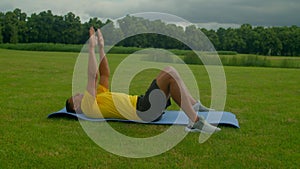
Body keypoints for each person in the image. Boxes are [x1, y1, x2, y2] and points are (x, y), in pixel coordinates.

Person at [66, 27, 221, 133]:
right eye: (75, 96)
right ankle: (194, 121)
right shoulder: (87, 107)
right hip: (143, 111)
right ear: (76, 105)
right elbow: (92, 76)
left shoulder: (98, 98)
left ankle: (194, 106)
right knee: (170, 73)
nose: (78, 93)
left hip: (143, 105)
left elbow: (104, 75)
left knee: (168, 72)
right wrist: (91, 49)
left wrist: (101, 48)